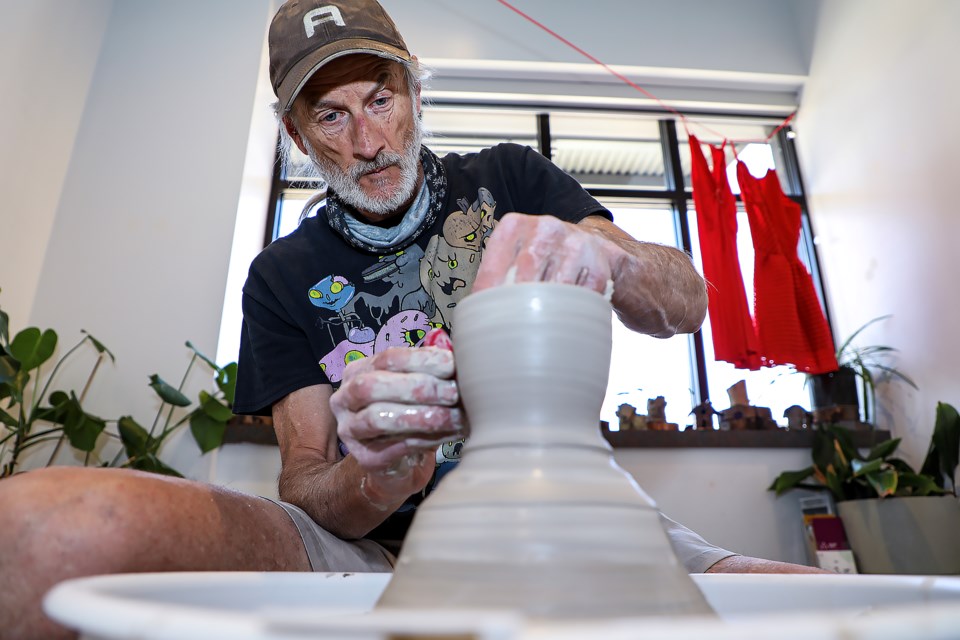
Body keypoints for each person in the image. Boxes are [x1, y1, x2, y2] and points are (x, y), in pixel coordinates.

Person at [0, 1, 824, 638]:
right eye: (331, 116)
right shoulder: (280, 276)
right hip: (369, 544)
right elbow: (306, 482)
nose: (369, 139)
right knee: (48, 528)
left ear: (414, 90)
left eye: (380, 98)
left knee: (814, 612)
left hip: (558, 508)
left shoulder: (513, 176)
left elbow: (684, 306)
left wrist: (611, 255)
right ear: (296, 134)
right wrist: (382, 471)